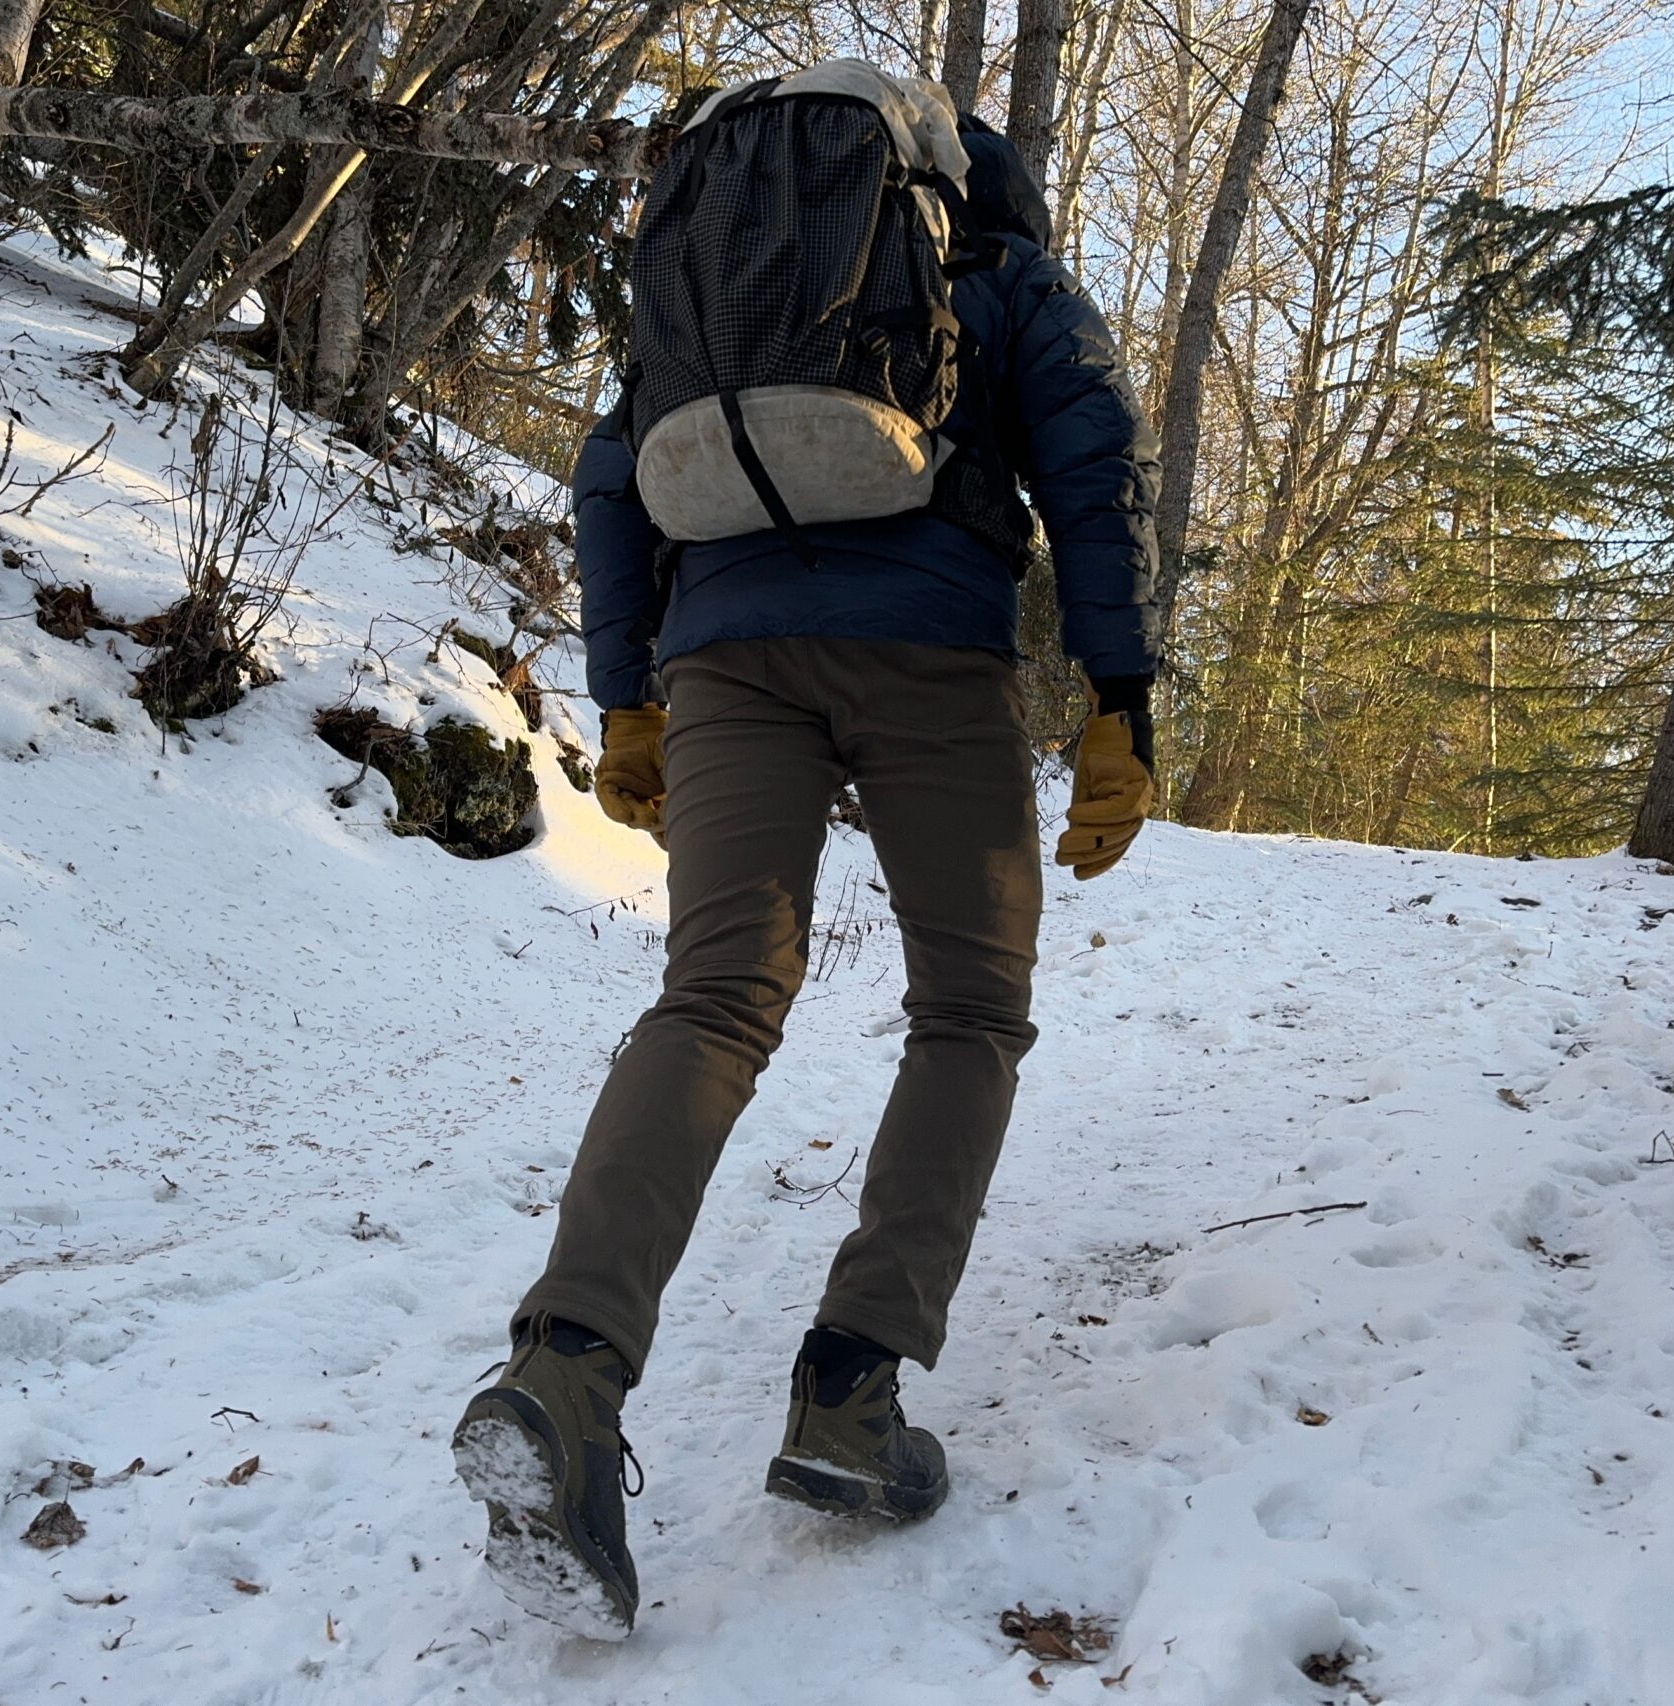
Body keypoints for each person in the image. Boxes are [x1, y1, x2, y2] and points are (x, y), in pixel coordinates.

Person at [451, 98, 1163, 1641]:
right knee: (970, 1009)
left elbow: (610, 467)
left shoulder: (731, 284)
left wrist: (628, 689)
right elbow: (1096, 463)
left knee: (712, 1000)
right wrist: (1120, 694)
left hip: (722, 655)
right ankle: (850, 1389)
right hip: (929, 646)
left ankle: (561, 1374)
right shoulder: (1000, 271)